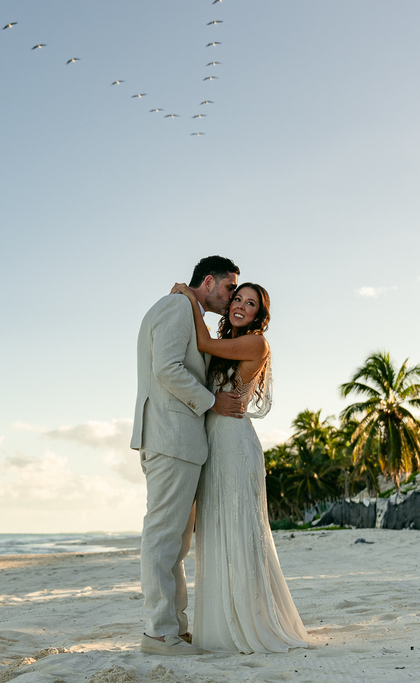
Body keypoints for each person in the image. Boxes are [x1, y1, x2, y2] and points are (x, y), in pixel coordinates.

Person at [171, 280, 311, 654]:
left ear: (258, 316)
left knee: (238, 529)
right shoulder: (229, 343)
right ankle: (222, 623)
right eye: (237, 299)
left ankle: (251, 622)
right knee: (217, 530)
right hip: (215, 444)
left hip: (234, 444)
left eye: (250, 304)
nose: (240, 306)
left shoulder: (256, 343)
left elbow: (203, 344)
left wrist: (190, 299)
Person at [131, 255, 245, 657]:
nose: (232, 296)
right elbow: (167, 367)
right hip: (170, 436)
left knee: (174, 543)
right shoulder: (177, 306)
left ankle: (172, 631)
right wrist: (212, 401)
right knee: (163, 537)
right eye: (230, 287)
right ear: (210, 282)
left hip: (177, 439)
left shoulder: (184, 308)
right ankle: (159, 633)